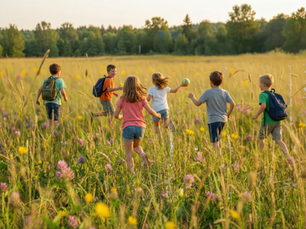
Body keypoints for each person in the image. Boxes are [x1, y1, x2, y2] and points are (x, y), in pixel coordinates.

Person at [114, 76, 161, 174]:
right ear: (138, 86)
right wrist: (157, 115)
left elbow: (115, 115)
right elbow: (150, 111)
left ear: (126, 86)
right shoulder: (141, 98)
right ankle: (142, 154)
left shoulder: (122, 98)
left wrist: (120, 117)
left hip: (128, 127)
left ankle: (133, 174)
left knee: (129, 153)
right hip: (140, 127)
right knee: (136, 147)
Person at [188, 71, 235, 154]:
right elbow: (233, 104)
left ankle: (218, 157)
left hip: (213, 120)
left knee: (214, 141)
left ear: (211, 82)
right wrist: (228, 114)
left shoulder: (208, 92)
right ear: (221, 82)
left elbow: (198, 103)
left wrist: (192, 98)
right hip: (223, 120)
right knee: (218, 137)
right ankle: (219, 154)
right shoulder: (225, 92)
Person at [252, 74, 289, 156]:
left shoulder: (263, 94)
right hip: (277, 121)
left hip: (267, 122)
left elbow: (263, 106)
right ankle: (288, 156)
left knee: (260, 138)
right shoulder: (274, 94)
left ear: (263, 85)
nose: (259, 85)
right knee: (278, 140)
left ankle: (262, 156)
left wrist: (256, 115)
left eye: (259, 83)